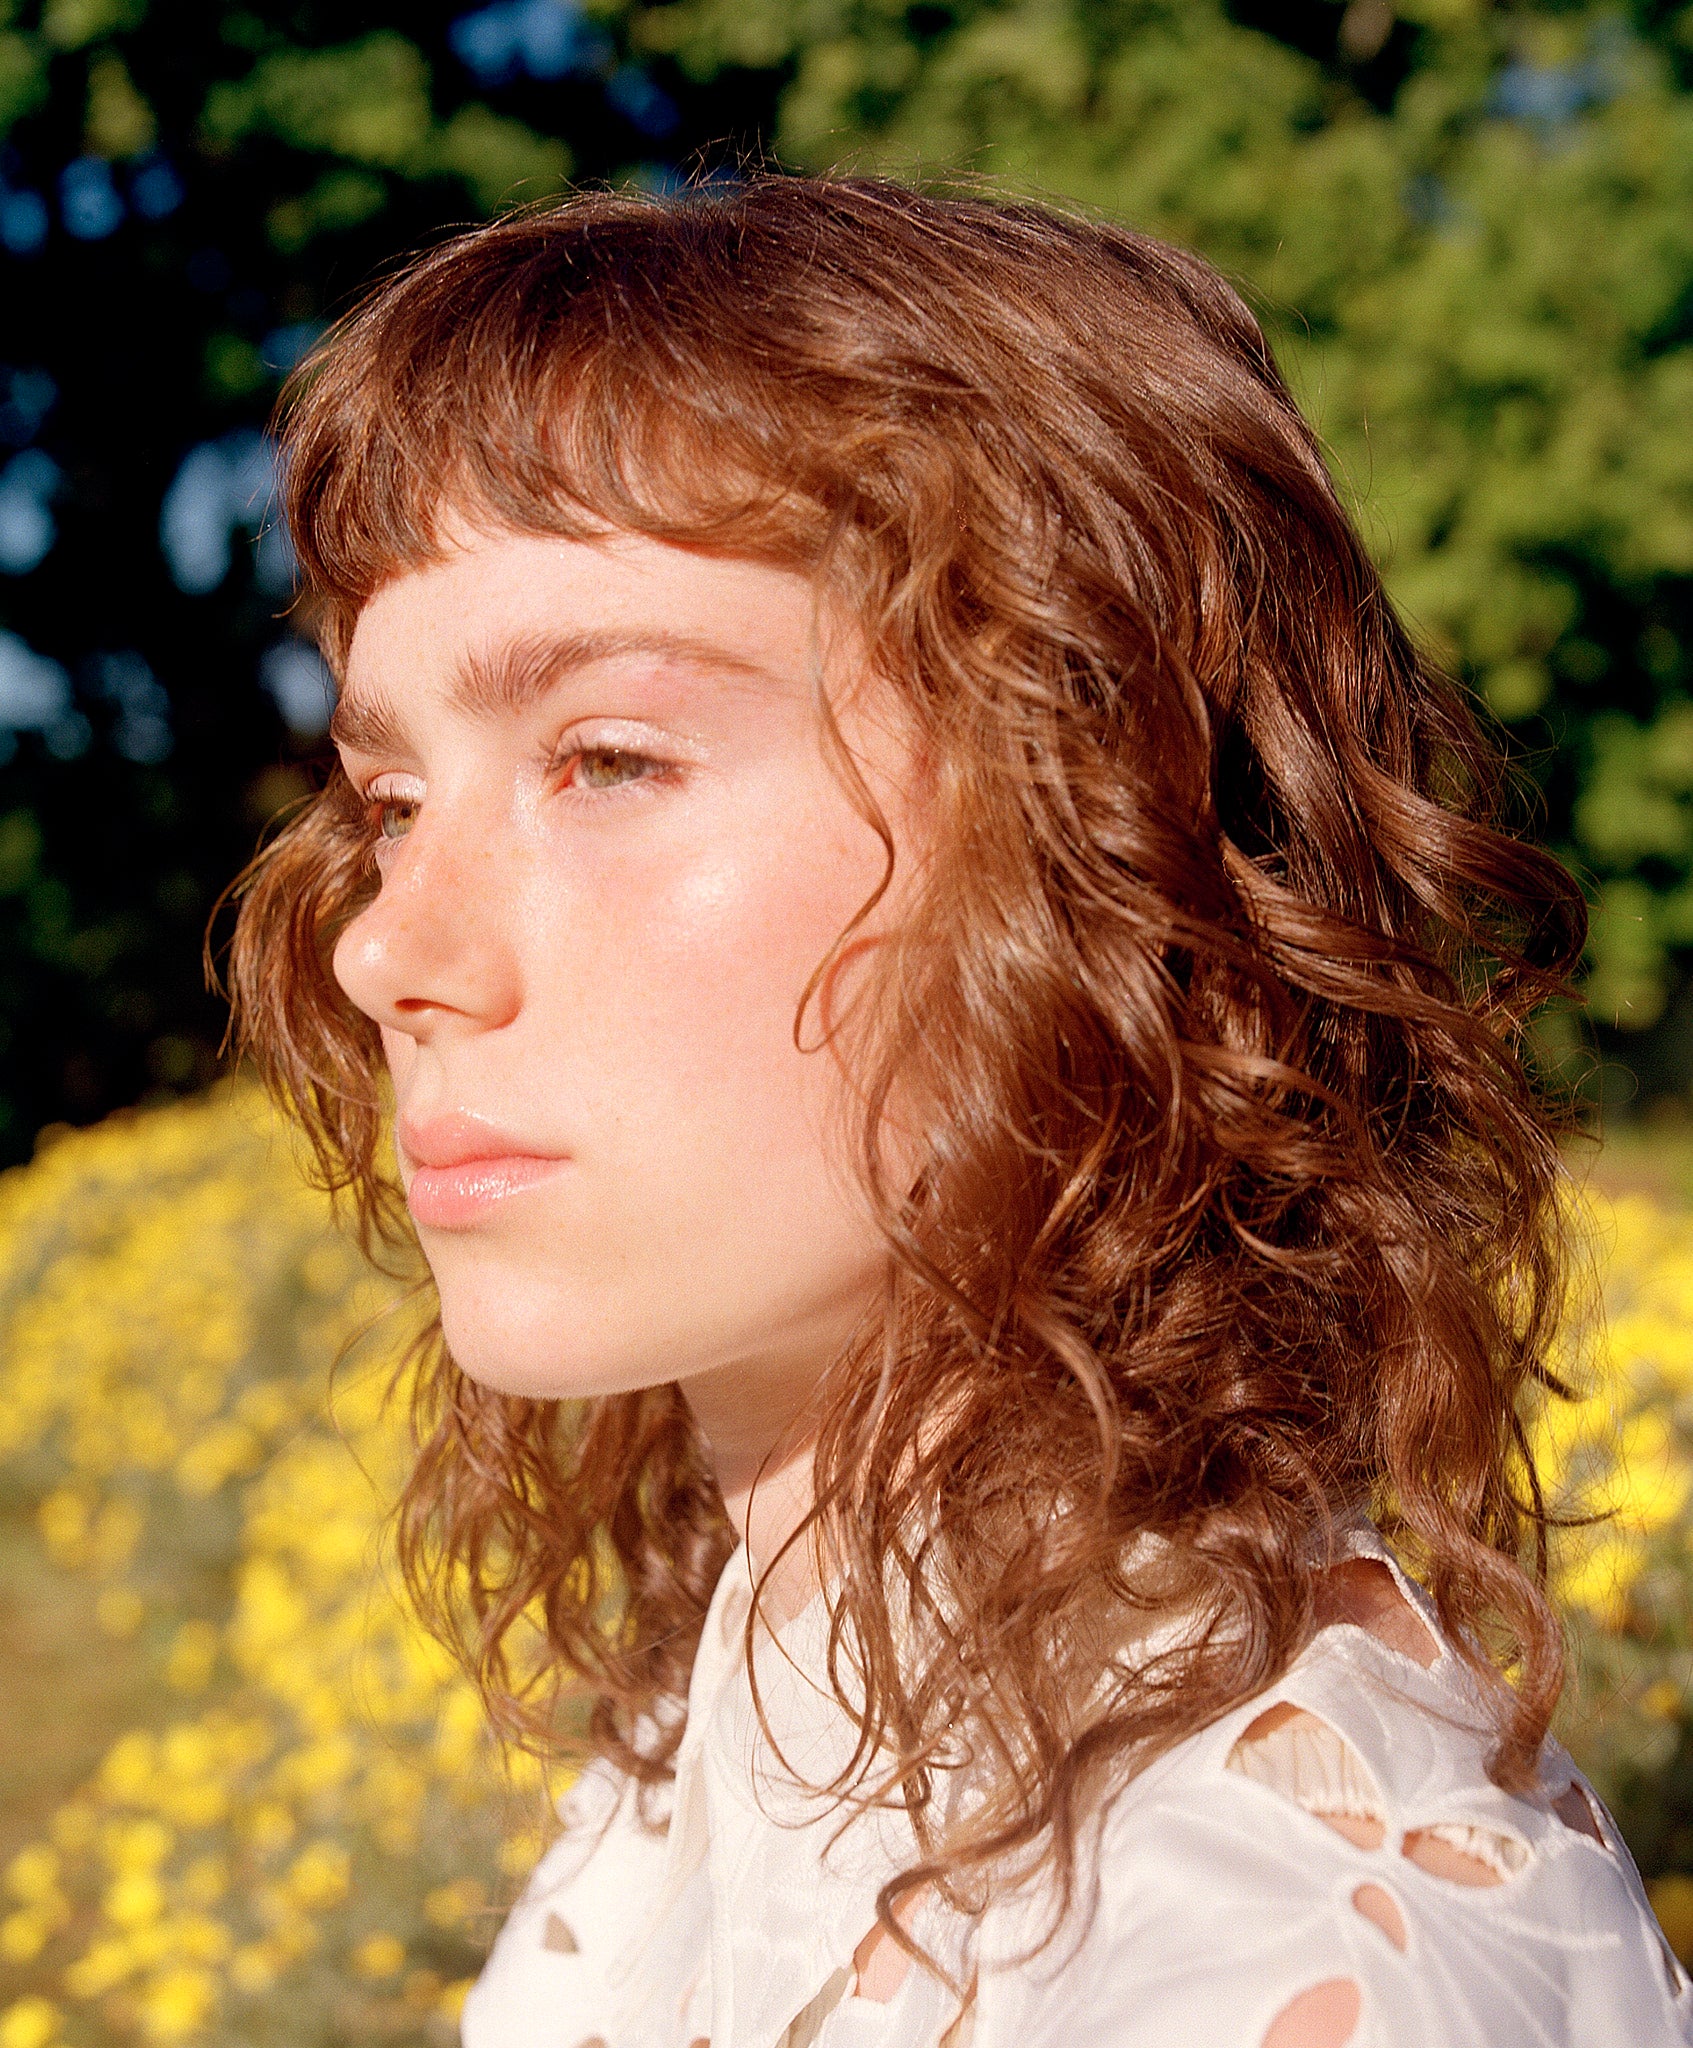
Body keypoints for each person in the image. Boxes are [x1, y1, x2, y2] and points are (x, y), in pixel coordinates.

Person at [226, 176, 1690, 2048]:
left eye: (609, 758)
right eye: (393, 802)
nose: (383, 955)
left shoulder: (1260, 1962)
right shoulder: (738, 1745)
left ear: (1108, 834)